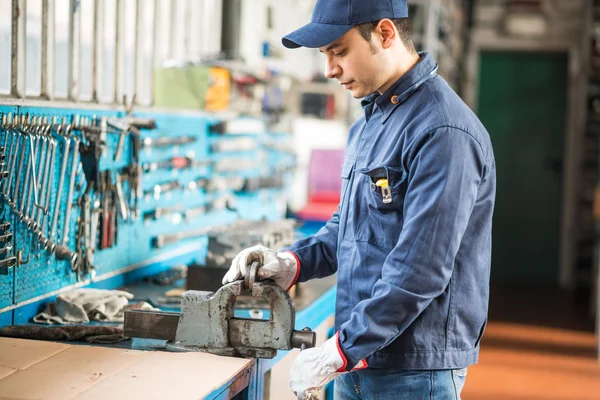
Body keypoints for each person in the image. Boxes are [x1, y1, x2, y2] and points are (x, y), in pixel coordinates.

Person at [222, 0, 496, 398]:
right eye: (325, 55)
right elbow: (352, 225)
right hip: (359, 353)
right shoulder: (372, 119)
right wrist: (292, 262)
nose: (330, 69)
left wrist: (341, 349)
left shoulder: (444, 131)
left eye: (340, 51)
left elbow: (421, 269)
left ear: (385, 34)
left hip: (413, 371)